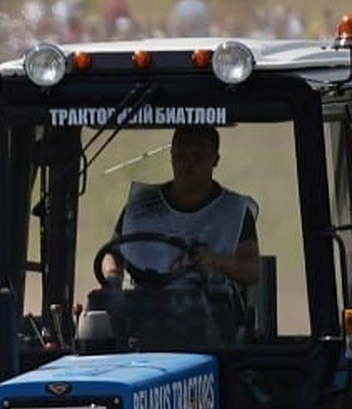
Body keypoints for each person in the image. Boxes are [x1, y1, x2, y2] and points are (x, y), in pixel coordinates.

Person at [102, 124, 260, 290]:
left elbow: (252, 270)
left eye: (198, 156)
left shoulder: (234, 211)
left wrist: (218, 262)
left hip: (211, 310)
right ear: (172, 155)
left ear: (215, 160)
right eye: (182, 155)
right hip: (142, 308)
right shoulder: (142, 205)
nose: (189, 164)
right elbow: (112, 254)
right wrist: (112, 278)